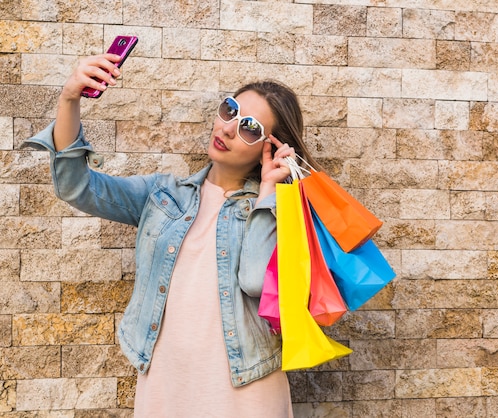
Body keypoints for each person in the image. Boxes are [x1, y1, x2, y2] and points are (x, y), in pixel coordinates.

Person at [24, 52, 322, 417]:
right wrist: (69, 98)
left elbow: (256, 281)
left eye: (249, 128)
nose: (228, 128)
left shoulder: (278, 208)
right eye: (229, 111)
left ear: (271, 146)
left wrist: (268, 196)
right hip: (168, 381)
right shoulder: (163, 196)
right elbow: (77, 188)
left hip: (246, 386)